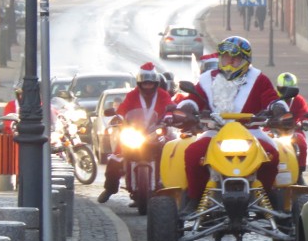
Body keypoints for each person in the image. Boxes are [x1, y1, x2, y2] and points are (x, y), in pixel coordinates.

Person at [176, 36, 283, 214]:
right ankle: (195, 199)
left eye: (235, 59)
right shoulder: (206, 79)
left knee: (271, 155)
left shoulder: (259, 79)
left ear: (245, 60)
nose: (229, 63)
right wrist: (187, 109)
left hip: (250, 132)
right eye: (226, 58)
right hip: (216, 132)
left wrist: (278, 109)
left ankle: (265, 196)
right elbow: (194, 99)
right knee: (193, 153)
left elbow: (271, 99)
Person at [98, 62, 173, 204]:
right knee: (115, 159)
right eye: (145, 84)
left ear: (156, 83)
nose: (148, 86)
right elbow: (123, 109)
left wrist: (169, 115)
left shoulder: (163, 95)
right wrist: (118, 117)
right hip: (134, 132)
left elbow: (169, 105)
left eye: (151, 83)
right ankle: (110, 188)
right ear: (139, 83)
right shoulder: (132, 95)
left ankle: (166, 186)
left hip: (155, 132)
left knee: (170, 153)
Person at [276, 72, 308, 174]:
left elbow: (304, 113)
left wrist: (305, 122)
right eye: (284, 89)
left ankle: (300, 172)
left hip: (293, 130)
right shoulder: (272, 98)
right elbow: (264, 111)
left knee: (302, 143)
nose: (287, 92)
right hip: (274, 130)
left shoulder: (299, 100)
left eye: (290, 89)